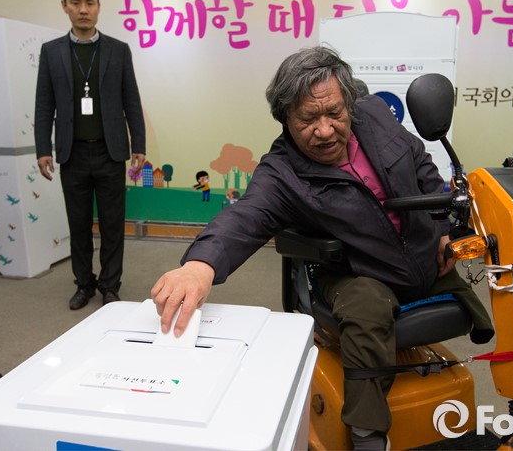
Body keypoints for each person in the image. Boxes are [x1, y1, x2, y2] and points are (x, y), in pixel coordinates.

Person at [151, 46, 492, 450]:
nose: (326, 130)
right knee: (367, 308)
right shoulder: (282, 172)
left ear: (349, 102)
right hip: (357, 272)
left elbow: (420, 164)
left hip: (422, 255)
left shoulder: (376, 115)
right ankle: (367, 434)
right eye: (309, 119)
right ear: (286, 118)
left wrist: (443, 229)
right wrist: (199, 266)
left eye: (334, 113)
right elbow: (246, 216)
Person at [34, 0, 146, 310]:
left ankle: (110, 286)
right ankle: (84, 284)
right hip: (72, 153)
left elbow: (131, 101)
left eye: (89, 2)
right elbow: (44, 103)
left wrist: (138, 145)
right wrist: (43, 149)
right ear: (64, 6)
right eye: (76, 3)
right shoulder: (52, 51)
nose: (83, 9)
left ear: (98, 7)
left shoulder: (118, 50)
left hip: (110, 152)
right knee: (78, 224)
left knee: (112, 224)